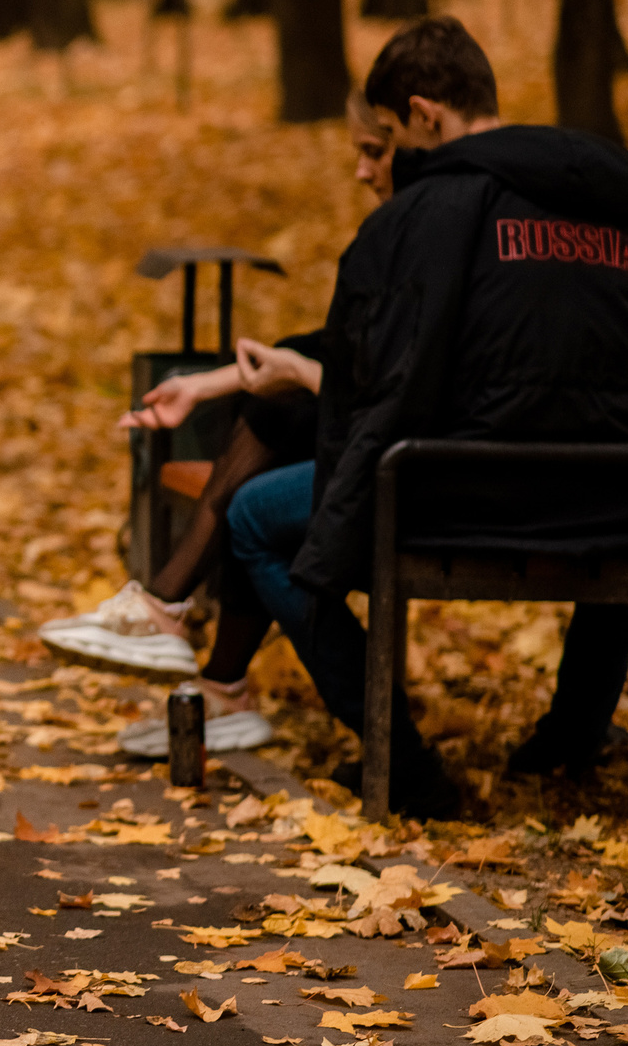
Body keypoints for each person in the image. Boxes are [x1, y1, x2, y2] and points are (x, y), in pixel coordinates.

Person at [258, 16, 628, 812]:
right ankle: (573, 736)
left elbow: (370, 387)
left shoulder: (415, 219)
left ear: (426, 116)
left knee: (250, 520)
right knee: (613, 464)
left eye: (385, 138)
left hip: (453, 502)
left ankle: (402, 760)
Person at [39, 98, 400, 754]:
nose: (359, 171)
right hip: (387, 447)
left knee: (257, 499)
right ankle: (215, 673)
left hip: (414, 466)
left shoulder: (423, 236)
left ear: (420, 129)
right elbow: (339, 350)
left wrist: (296, 373)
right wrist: (203, 384)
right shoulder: (404, 234)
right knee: (274, 425)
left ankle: (173, 618)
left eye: (374, 151)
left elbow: (387, 382)